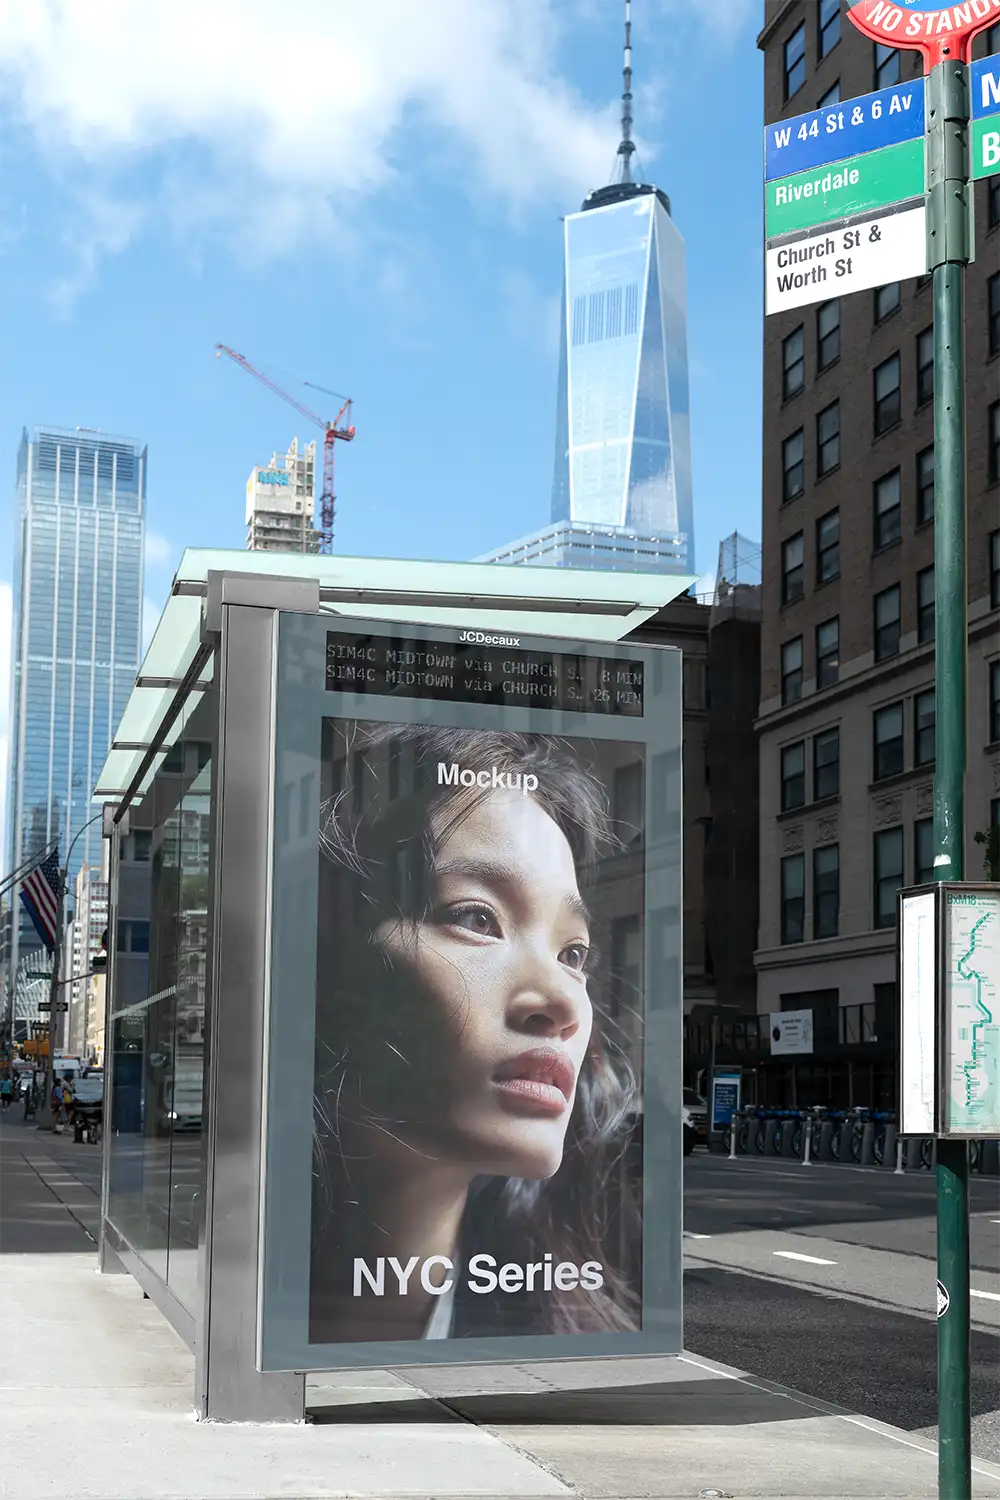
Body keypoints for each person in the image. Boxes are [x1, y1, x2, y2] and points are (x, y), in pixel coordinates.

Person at [309, 722, 641, 1346]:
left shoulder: (577, 1328)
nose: (564, 1000)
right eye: (475, 918)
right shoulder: (237, 1270)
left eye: (574, 954)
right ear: (327, 955)